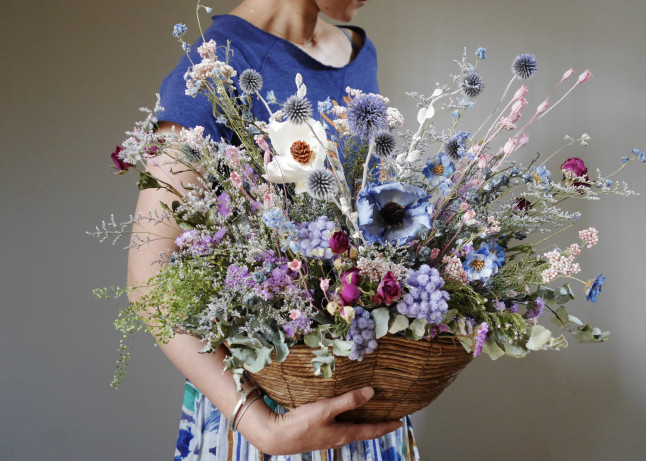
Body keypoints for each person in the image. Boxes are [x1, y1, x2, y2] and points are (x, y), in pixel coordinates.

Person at [127, 1, 419, 459]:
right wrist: (258, 425)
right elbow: (148, 275)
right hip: (273, 420)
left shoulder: (358, 53)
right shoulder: (213, 68)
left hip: (366, 414)